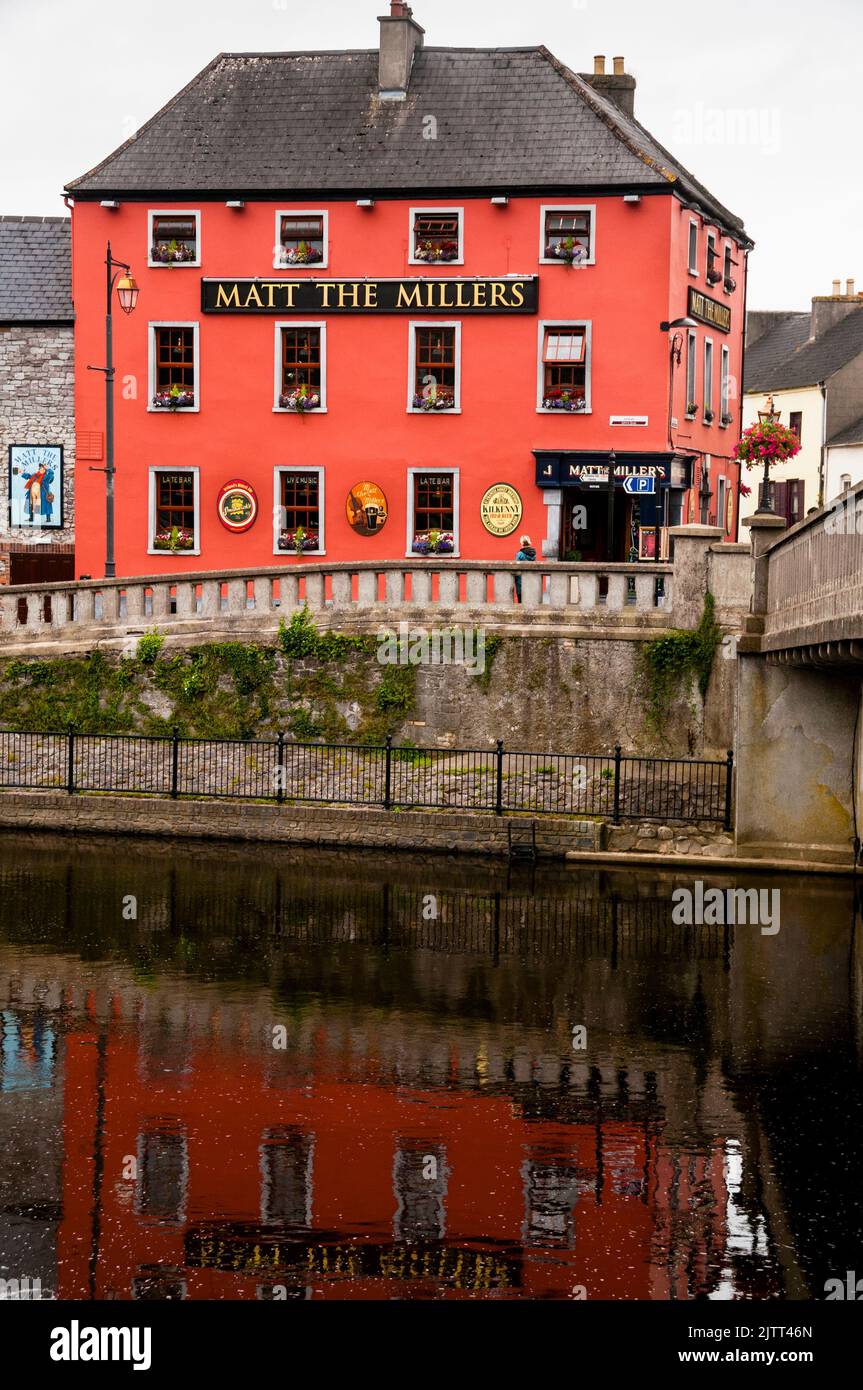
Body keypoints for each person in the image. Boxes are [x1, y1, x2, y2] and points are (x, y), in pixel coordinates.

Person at [514, 534, 536, 603]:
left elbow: (516, 566)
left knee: (520, 602)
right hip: (530, 579)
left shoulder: (520, 554)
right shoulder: (534, 554)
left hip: (520, 581)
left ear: (521, 543)